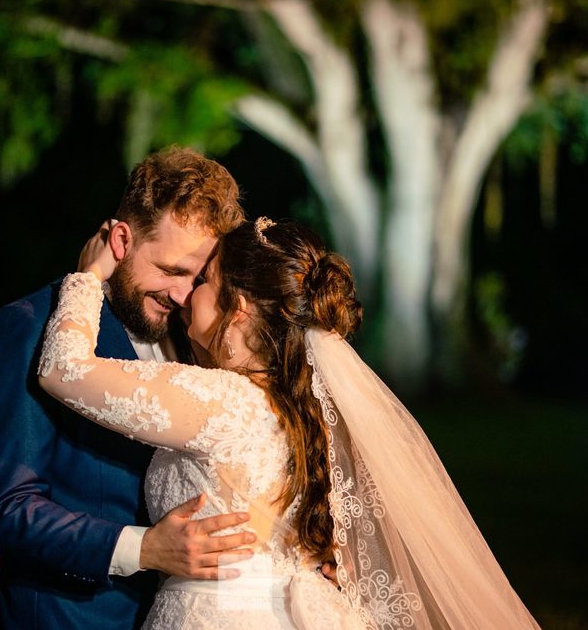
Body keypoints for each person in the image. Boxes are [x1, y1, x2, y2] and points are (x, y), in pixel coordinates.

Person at [37, 217, 544, 629]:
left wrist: (88, 277)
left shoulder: (222, 402)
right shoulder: (308, 409)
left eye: (205, 282)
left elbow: (63, 372)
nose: (189, 294)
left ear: (237, 309)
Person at [0, 147, 255, 630]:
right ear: (121, 239)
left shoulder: (197, 335)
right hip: (70, 616)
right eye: (170, 270)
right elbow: (5, 510)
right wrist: (144, 548)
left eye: (198, 277)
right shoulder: (28, 329)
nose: (182, 294)